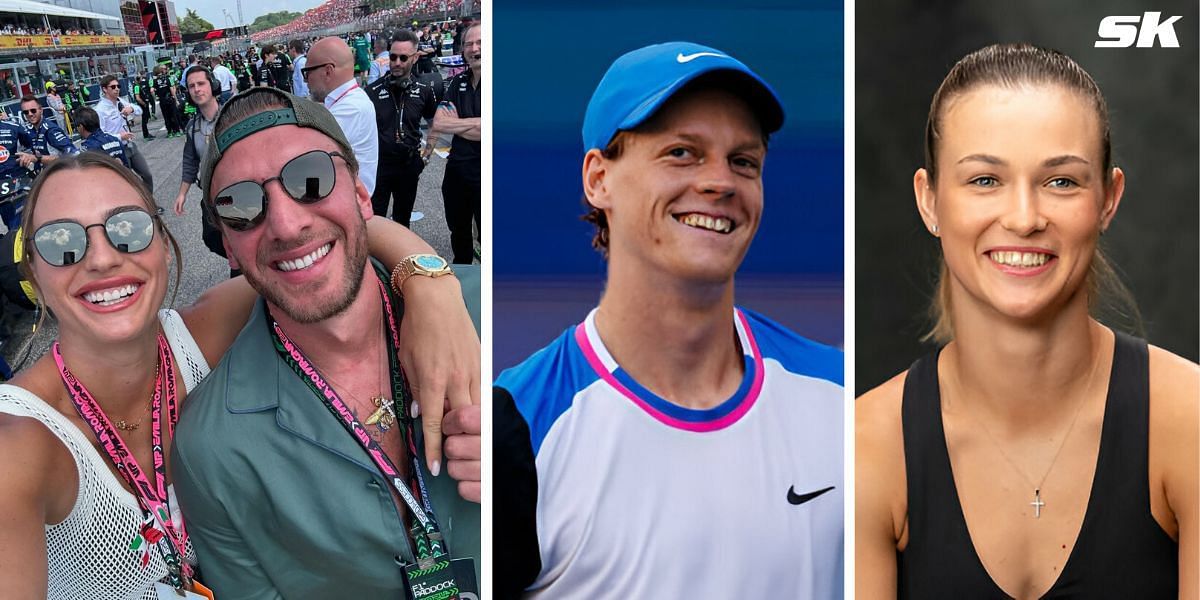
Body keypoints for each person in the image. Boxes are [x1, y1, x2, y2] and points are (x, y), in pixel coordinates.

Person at [0, 144, 479, 597]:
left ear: (163, 245)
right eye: (61, 242)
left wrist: (430, 287)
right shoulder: (19, 445)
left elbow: (332, 235)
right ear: (33, 274)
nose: (103, 258)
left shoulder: (200, 332)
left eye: (128, 228)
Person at [494, 41, 844, 598]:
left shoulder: (842, 396)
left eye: (743, 161)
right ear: (598, 179)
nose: (720, 182)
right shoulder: (516, 429)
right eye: (682, 153)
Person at [855, 43, 1198, 599]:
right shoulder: (864, 448)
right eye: (985, 180)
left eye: (1061, 181)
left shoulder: (1191, 425)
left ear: (1108, 199)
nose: (1023, 218)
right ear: (930, 201)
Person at [172, 87, 482, 598]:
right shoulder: (214, 452)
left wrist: (530, 463)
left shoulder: (492, 314)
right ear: (228, 243)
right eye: (240, 204)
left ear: (362, 194)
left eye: (310, 178)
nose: (287, 224)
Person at [366, 30, 437, 226]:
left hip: (409, 166)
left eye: (403, 57)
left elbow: (434, 125)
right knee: (375, 221)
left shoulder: (424, 90)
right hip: (380, 167)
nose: (397, 62)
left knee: (402, 221)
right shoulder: (372, 91)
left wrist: (425, 158)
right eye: (393, 56)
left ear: (414, 58)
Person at [428, 22, 480, 264]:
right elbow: (439, 123)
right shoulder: (458, 82)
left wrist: (458, 124)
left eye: (480, 42)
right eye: (469, 43)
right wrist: (475, 124)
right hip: (457, 173)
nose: (474, 48)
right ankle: (464, 279)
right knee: (459, 234)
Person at [305, 36, 378, 195]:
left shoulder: (350, 108)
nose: (306, 81)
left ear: (328, 71)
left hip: (347, 204)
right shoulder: (348, 100)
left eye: (307, 73)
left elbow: (307, 155)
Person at [95, 75, 154, 192]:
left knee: (147, 175)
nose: (117, 89)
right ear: (104, 89)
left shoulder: (121, 101)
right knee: (131, 182)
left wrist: (131, 109)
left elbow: (139, 110)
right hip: (117, 149)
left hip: (130, 145)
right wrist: (119, 136)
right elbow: (100, 134)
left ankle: (149, 202)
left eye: (118, 86)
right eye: (113, 87)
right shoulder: (100, 110)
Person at [18, 95, 76, 172]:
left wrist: (36, 158)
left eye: (33, 110)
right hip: (44, 174)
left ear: (41, 110)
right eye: (26, 112)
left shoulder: (51, 130)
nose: (30, 114)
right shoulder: (30, 130)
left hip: (59, 174)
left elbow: (73, 154)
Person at [153, 64, 182, 138]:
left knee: (166, 117)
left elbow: (152, 90)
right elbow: (172, 90)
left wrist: (156, 97)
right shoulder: (168, 78)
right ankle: (177, 131)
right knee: (173, 115)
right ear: (161, 71)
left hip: (162, 101)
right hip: (170, 99)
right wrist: (176, 100)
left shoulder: (154, 80)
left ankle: (170, 132)